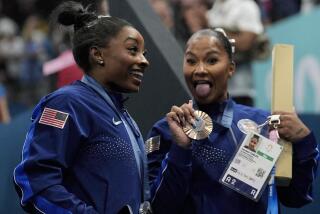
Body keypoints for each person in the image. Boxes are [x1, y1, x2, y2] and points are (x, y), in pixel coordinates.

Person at [147, 28, 319, 213]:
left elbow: (296, 197)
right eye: (191, 61)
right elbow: (159, 206)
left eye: (212, 60)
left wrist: (304, 141)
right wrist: (180, 149)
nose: (200, 70)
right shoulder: (167, 129)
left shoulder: (263, 123)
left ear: (231, 68)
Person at [13, 1, 150, 213]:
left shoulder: (121, 114)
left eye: (144, 53)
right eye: (133, 50)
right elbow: (35, 182)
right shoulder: (66, 104)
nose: (143, 61)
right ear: (98, 54)